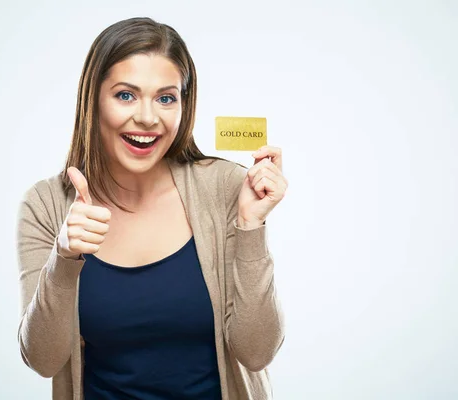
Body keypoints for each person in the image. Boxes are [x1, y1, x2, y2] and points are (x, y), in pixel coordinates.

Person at [16, 17, 287, 400]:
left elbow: (257, 352)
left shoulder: (226, 187)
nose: (147, 117)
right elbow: (43, 360)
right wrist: (63, 258)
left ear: (183, 104)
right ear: (93, 99)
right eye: (125, 95)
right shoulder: (45, 205)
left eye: (165, 98)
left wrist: (250, 226)